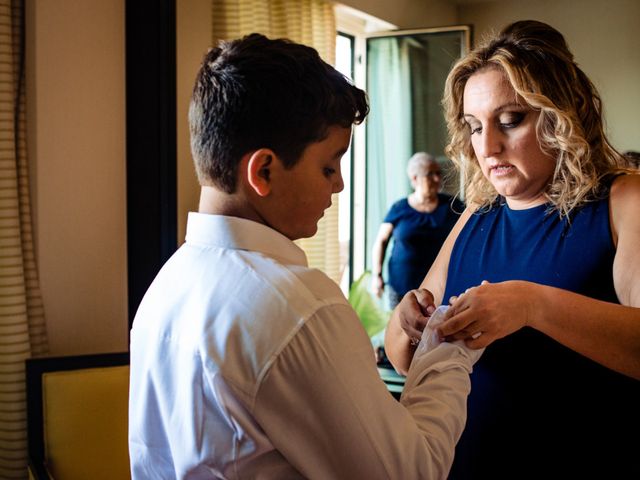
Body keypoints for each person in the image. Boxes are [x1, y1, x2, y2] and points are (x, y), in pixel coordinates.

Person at [128, 33, 484, 479]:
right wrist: (445, 351)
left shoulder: (168, 282)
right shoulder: (297, 309)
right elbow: (409, 473)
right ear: (263, 171)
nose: (338, 186)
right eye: (328, 167)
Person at [384, 20, 640, 478]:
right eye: (474, 127)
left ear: (563, 113)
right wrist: (408, 321)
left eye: (510, 121)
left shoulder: (624, 203)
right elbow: (405, 358)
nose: (489, 146)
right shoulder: (476, 213)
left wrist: (533, 304)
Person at [371, 151, 463, 308]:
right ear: (414, 179)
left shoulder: (452, 205)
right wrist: (377, 275)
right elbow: (381, 241)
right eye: (430, 174)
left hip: (440, 287)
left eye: (438, 173)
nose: (437, 179)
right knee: (401, 330)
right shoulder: (399, 208)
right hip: (402, 288)